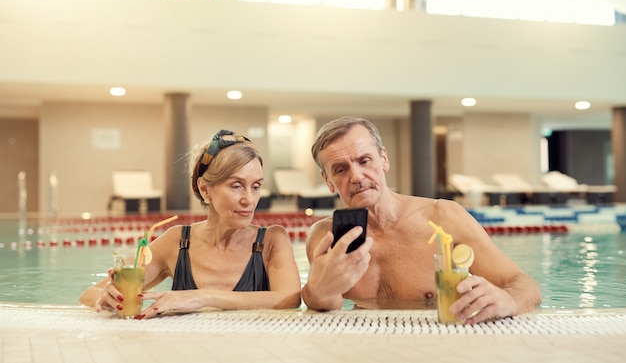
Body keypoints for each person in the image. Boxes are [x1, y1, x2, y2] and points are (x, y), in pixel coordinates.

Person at [301, 116, 542, 324]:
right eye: (340, 169)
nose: (356, 176)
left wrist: (507, 300)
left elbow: (523, 284)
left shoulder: (443, 218)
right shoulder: (326, 236)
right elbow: (322, 303)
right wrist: (318, 291)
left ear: (383, 159)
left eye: (364, 161)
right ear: (328, 179)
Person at [79, 129, 301, 318]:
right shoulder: (178, 241)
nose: (249, 200)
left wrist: (202, 297)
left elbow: (289, 298)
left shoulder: (272, 239)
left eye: (255, 186)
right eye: (236, 186)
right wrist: (108, 296)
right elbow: (88, 295)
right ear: (205, 189)